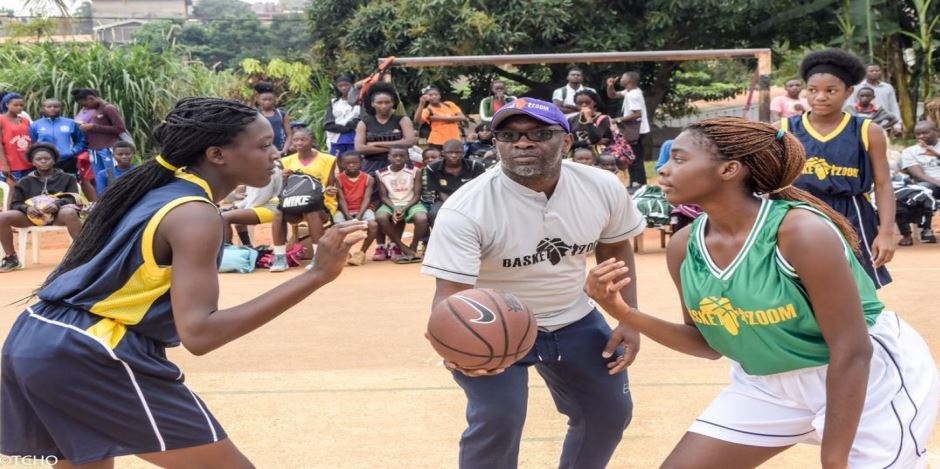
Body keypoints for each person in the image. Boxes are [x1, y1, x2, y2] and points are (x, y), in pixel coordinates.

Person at [0, 98, 367, 467]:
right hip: (89, 350)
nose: (276, 153)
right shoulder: (194, 213)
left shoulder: (161, 190)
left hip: (39, 337)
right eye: (263, 144)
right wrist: (316, 274)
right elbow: (201, 334)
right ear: (217, 154)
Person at [587, 116, 939, 469]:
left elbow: (853, 349)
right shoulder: (685, 245)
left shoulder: (800, 232)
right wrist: (623, 312)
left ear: (729, 170)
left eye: (679, 159)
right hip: (768, 382)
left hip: (867, 379)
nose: (663, 169)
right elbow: (707, 344)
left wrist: (834, 458)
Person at [421, 98, 645, 469]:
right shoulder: (466, 209)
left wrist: (629, 318)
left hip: (573, 317)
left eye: (539, 133)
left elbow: (616, 246)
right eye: (508, 135)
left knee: (609, 413)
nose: (522, 143)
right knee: (498, 419)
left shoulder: (601, 186)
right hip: (494, 327)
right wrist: (455, 348)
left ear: (567, 141)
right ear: (495, 144)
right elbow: (449, 296)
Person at [781, 49, 895, 289]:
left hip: (852, 213)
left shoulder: (867, 131)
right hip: (799, 211)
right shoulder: (784, 129)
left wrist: (886, 231)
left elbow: (883, 184)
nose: (820, 97)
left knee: (858, 287)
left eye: (830, 90)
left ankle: (858, 327)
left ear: (848, 92)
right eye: (813, 90)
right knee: (799, 285)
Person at [355, 81, 417, 261]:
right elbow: (360, 148)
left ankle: (395, 245)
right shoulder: (364, 122)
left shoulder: (402, 120)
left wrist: (376, 144)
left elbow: (410, 141)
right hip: (374, 168)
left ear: (393, 103)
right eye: (379, 103)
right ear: (372, 104)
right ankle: (381, 246)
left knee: (400, 201)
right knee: (378, 206)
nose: (383, 106)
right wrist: (395, 146)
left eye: (387, 102)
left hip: (400, 167)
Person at [0, 143, 82, 272]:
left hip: (58, 215)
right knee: (3, 217)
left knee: (70, 212)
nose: (43, 161)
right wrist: (27, 209)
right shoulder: (25, 181)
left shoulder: (68, 178)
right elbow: (15, 204)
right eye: (39, 159)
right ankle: (11, 259)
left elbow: (74, 198)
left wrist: (56, 204)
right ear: (33, 162)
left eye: (47, 158)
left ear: (54, 160)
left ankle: (84, 254)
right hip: (31, 217)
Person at [269, 127, 338, 272]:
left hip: (320, 203)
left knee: (311, 210)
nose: (299, 143)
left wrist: (331, 191)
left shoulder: (328, 159)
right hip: (294, 201)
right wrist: (283, 177)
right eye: (296, 140)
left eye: (303, 139)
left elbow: (331, 185)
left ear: (313, 141)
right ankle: (280, 257)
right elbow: (283, 188)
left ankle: (318, 258)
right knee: (278, 212)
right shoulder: (286, 161)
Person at [375, 145, 428, 264]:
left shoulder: (415, 171)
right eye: (394, 156)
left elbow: (416, 195)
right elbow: (383, 196)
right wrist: (394, 208)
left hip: (411, 203)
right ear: (389, 157)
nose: (398, 158)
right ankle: (402, 247)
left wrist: (404, 208)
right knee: (380, 217)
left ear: (407, 157)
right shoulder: (380, 173)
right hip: (391, 203)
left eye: (402, 156)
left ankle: (413, 246)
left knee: (422, 218)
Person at [423, 139, 484, 226]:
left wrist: (466, 205)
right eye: (450, 152)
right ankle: (438, 238)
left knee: (480, 215)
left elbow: (480, 189)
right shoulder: (433, 168)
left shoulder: (475, 166)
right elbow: (439, 191)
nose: (454, 155)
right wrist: (454, 205)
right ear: (443, 153)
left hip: (471, 200)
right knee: (434, 214)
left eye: (458, 152)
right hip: (445, 200)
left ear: (463, 153)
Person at [606, 71, 650, 191]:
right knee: (633, 157)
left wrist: (617, 120)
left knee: (634, 158)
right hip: (637, 130)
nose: (620, 79)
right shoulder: (631, 91)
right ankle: (636, 183)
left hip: (636, 131)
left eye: (623, 78)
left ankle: (638, 184)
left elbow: (637, 114)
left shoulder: (633, 95)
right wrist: (610, 86)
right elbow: (613, 95)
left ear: (629, 80)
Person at [221, 163, 283, 247]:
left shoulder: (267, 169)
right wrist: (238, 206)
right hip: (262, 205)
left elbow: (262, 197)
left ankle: (227, 251)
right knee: (238, 222)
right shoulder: (254, 169)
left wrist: (243, 210)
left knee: (224, 218)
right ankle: (248, 247)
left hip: (272, 206)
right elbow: (251, 196)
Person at [72, 88, 127, 182]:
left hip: (108, 149)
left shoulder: (108, 108)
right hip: (93, 150)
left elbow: (120, 128)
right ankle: (103, 196)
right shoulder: (89, 110)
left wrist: (93, 127)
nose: (85, 107)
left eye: (85, 105)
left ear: (91, 98)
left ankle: (117, 196)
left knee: (112, 177)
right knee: (100, 179)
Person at [335, 151, 379, 266]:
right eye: (348, 163)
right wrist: (348, 216)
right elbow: (341, 199)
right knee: (336, 227)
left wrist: (359, 216)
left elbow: (367, 198)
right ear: (343, 164)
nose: (352, 165)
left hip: (363, 209)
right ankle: (345, 253)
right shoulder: (338, 179)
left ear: (361, 163)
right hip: (344, 210)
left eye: (355, 162)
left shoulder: (368, 178)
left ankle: (361, 253)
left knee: (373, 225)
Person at [899, 120, 940, 243]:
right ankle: (926, 229)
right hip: (930, 186)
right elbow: (918, 175)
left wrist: (936, 154)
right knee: (921, 189)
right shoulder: (910, 152)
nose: (921, 136)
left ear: (936, 131)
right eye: (918, 134)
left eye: (925, 133)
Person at [29, 98, 86, 177]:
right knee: (47, 184)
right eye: (49, 107)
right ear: (43, 109)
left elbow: (81, 141)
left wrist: (73, 151)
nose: (52, 109)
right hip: (45, 161)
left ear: (60, 108)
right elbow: (34, 143)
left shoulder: (71, 123)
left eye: (56, 106)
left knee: (69, 184)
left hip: (67, 160)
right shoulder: (36, 125)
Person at [847, 64, 902, 136]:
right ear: (865, 73)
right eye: (871, 71)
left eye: (877, 71)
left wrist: (897, 125)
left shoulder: (887, 87)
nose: (875, 72)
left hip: (883, 125)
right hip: (860, 127)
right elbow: (850, 105)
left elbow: (893, 106)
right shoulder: (857, 87)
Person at [324, 73, 361, 157]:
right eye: (340, 85)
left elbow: (363, 117)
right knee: (338, 161)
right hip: (336, 136)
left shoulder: (360, 101)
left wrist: (352, 125)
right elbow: (328, 122)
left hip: (355, 135)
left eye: (346, 85)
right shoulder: (333, 102)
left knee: (354, 159)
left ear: (352, 85)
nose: (343, 88)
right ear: (337, 87)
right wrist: (341, 128)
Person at [0, 93, 32, 181]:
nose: (19, 107)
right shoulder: (1, 119)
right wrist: (4, 164)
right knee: (12, 192)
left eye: (21, 105)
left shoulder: (25, 120)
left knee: (29, 191)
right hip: (12, 164)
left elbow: (30, 140)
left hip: (28, 163)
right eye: (15, 105)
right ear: (7, 104)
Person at [254, 82, 292, 155]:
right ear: (258, 100)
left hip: (280, 151)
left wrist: (284, 150)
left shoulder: (282, 114)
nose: (267, 102)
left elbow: (289, 134)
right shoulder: (254, 114)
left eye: (270, 99)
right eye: (264, 100)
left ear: (275, 99)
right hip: (262, 152)